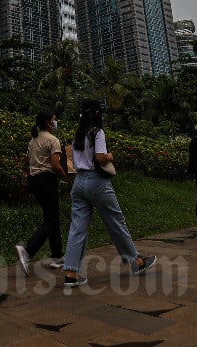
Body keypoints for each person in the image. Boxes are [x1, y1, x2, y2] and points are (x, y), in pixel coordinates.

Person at [62, 99, 156, 287]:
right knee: (115, 222)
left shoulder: (78, 134)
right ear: (97, 113)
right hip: (96, 182)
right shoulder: (97, 132)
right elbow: (100, 157)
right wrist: (111, 156)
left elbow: (73, 156)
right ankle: (136, 262)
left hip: (79, 182)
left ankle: (71, 273)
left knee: (77, 227)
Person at [15, 109, 68, 276]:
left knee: (52, 216)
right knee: (51, 219)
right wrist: (65, 175)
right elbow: (55, 164)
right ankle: (27, 250)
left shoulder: (34, 140)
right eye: (54, 119)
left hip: (34, 180)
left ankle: (57, 255)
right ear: (48, 123)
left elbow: (28, 160)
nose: (56, 121)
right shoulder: (53, 141)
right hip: (47, 180)